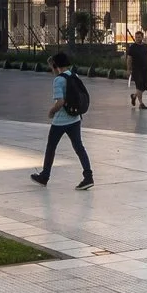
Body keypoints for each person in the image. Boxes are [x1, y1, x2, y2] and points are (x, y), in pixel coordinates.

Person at [33, 50, 95, 190]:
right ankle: (88, 176)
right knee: (79, 147)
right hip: (75, 118)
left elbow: (60, 101)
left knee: (51, 148)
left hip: (60, 121)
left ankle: (45, 176)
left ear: (56, 66)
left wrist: (51, 111)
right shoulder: (74, 75)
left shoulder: (58, 80)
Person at [126, 31, 147, 110]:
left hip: (144, 69)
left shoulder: (145, 46)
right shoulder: (132, 47)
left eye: (139, 37)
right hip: (136, 70)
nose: (137, 39)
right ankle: (141, 103)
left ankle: (134, 96)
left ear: (142, 37)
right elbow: (129, 59)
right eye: (136, 37)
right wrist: (128, 69)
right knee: (139, 85)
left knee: (144, 87)